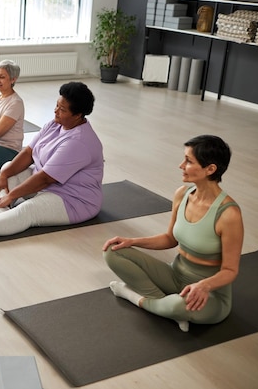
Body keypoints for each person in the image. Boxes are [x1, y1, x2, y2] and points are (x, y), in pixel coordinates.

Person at [102, 135, 243, 332]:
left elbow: (230, 270)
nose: (181, 165)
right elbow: (170, 239)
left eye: (188, 161)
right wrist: (132, 241)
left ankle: (134, 297)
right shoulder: (182, 194)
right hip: (174, 276)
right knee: (112, 251)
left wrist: (203, 286)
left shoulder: (229, 214)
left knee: (178, 305)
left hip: (210, 294)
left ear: (210, 169)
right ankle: (166, 307)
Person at [0, 81, 103, 242]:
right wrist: (4, 174)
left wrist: (12, 195)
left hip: (72, 200)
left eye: (62, 110)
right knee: (8, 167)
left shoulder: (78, 142)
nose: (56, 111)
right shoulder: (55, 124)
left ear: (78, 115)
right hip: (47, 184)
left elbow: (45, 178)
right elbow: (29, 152)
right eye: (57, 105)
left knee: (28, 211)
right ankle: (3, 212)